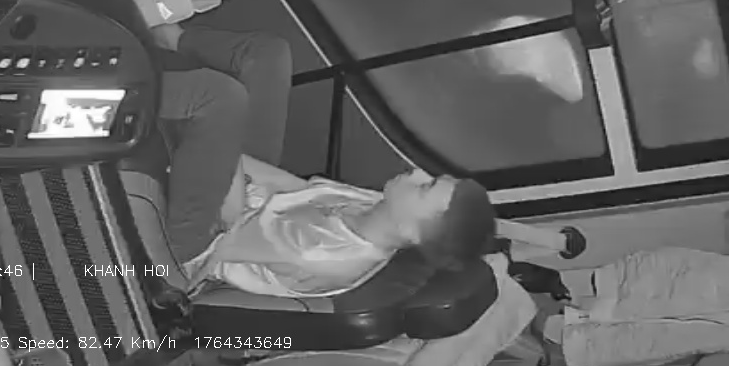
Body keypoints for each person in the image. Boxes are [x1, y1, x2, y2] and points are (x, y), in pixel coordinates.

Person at [185, 157, 498, 298]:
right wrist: (229, 155)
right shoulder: (379, 207)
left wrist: (222, 156)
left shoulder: (322, 255)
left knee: (217, 101)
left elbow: (222, 237)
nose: (416, 172)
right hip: (238, 199)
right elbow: (293, 187)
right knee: (257, 63)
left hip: (195, 245)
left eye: (425, 186)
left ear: (411, 232)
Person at [151, 21, 293, 263]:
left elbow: (235, 242)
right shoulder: (361, 210)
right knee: (268, 52)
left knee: (218, 96)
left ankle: (103, 92)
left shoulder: (347, 259)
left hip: (208, 237)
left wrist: (230, 168)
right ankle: (163, 33)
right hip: (258, 194)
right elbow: (302, 192)